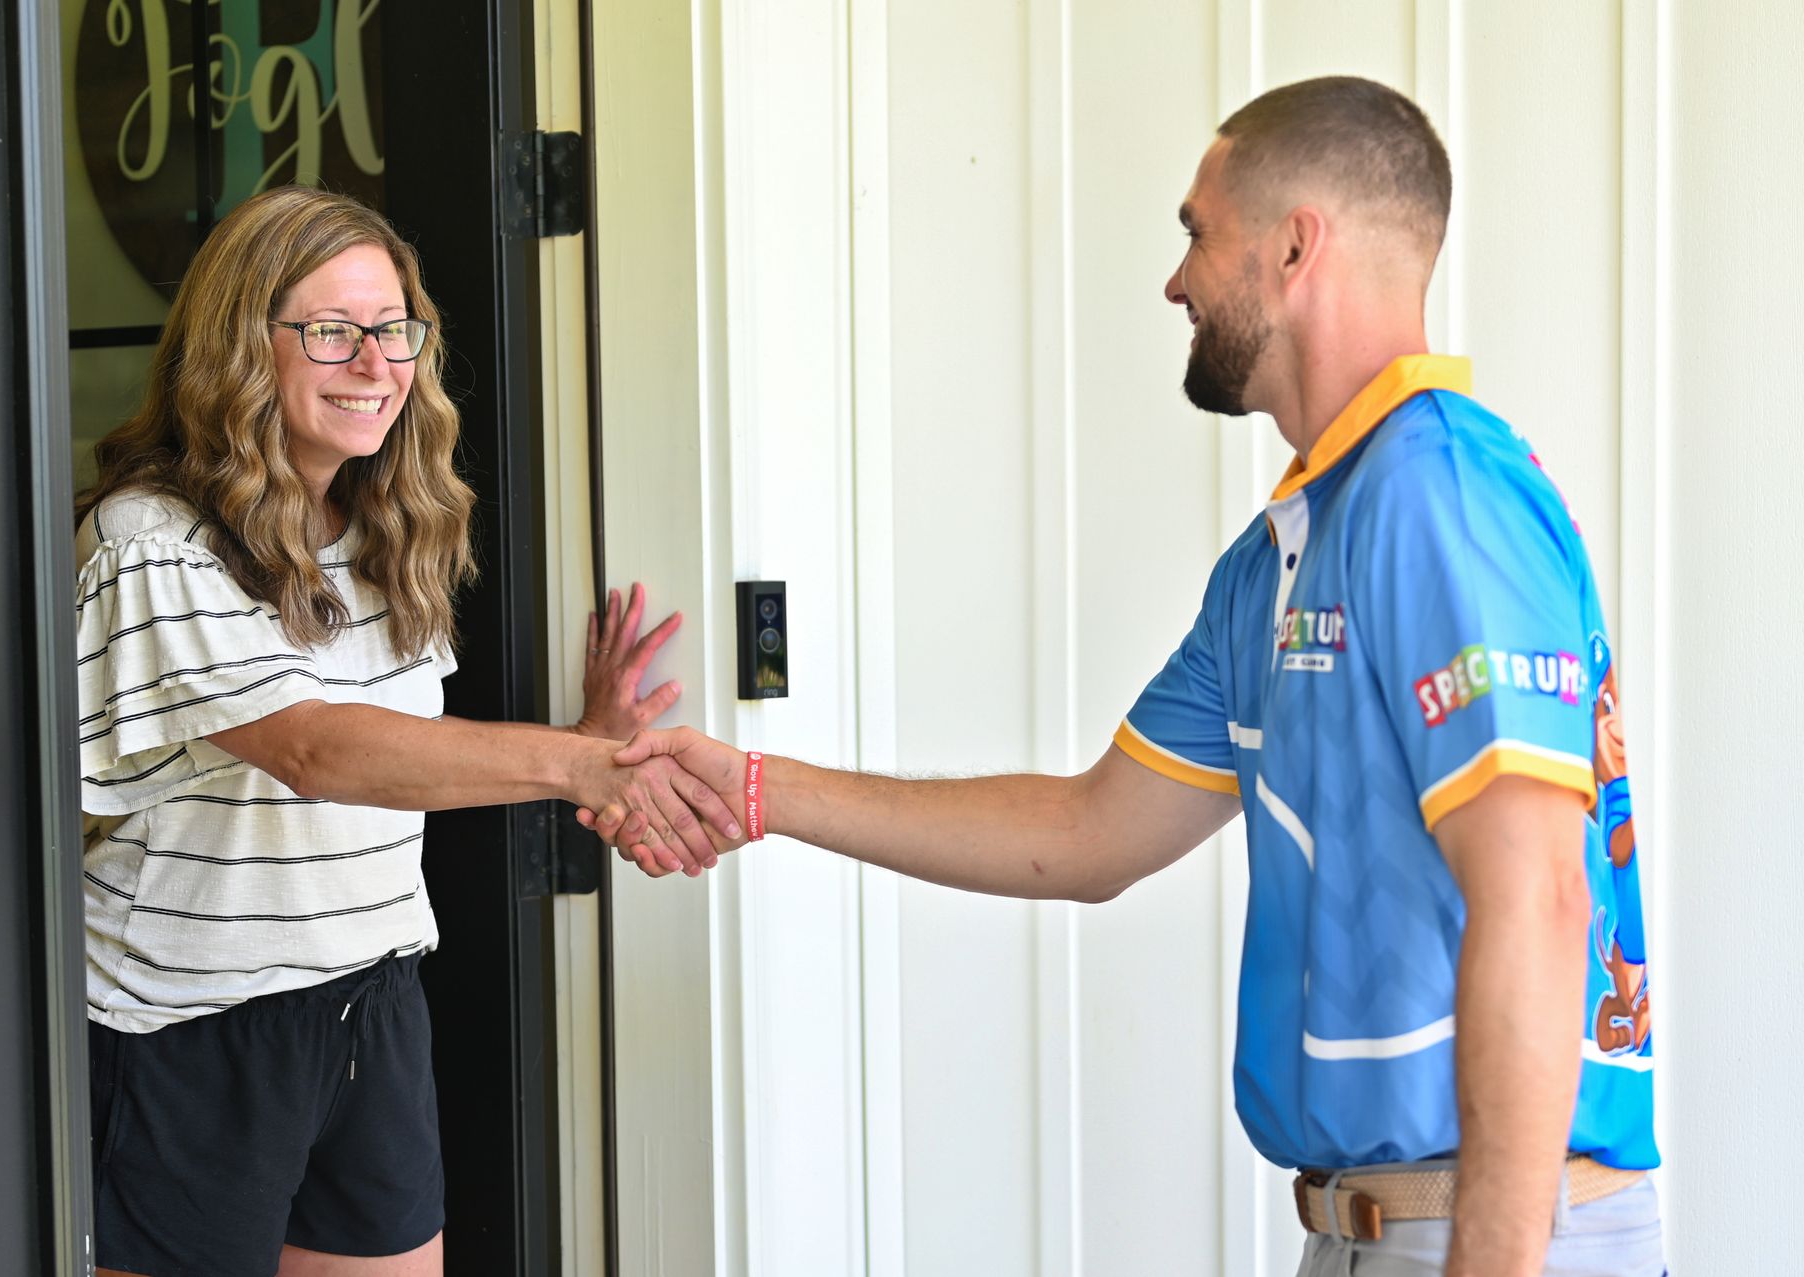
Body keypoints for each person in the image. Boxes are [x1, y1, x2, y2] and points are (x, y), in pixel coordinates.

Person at [588, 77, 1662, 1277]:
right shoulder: (1278, 561)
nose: (1177, 278)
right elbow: (1088, 829)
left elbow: (1542, 897)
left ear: (1297, 243)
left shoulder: (1436, 494)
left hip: (1500, 1234)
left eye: (1198, 232)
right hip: (1366, 1229)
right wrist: (755, 789)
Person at [75, 185, 736, 1277]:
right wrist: (581, 760)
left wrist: (590, 745)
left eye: (393, 330)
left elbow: (394, 760)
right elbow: (316, 748)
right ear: (242, 342)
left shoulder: (384, 525)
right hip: (191, 1029)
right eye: (330, 330)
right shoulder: (151, 537)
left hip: (367, 1003)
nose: (376, 362)